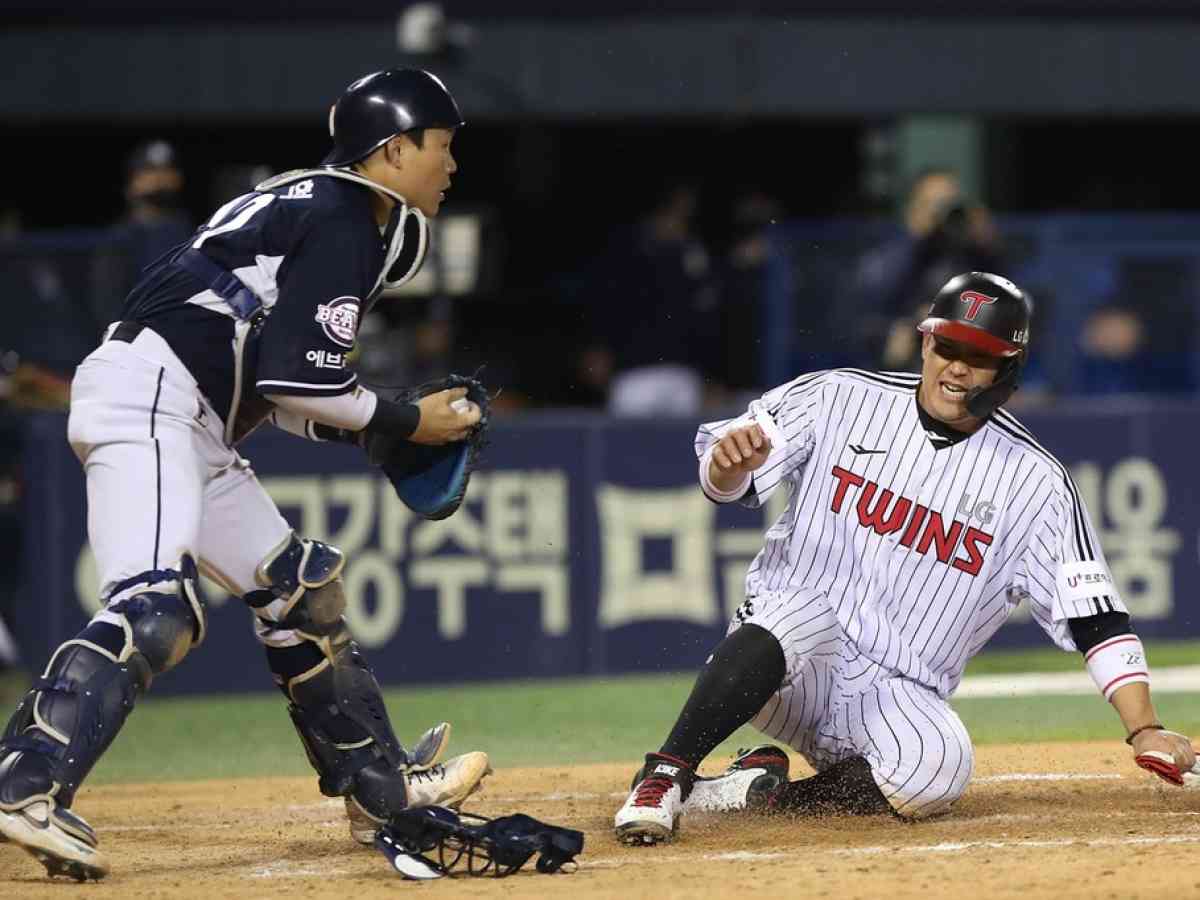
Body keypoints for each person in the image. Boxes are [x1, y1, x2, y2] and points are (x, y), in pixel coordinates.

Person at [0, 68, 492, 881]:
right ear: (394, 148)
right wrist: (406, 421)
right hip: (153, 402)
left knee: (300, 591)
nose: (449, 165)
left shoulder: (322, 203)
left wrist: (384, 427)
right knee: (156, 608)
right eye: (440, 146)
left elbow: (279, 385)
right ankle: (25, 782)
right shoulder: (348, 214)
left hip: (191, 414)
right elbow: (302, 384)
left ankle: (381, 789)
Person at [613, 271, 1197, 844]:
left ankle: (753, 793)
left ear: (1009, 371)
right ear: (926, 341)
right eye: (947, 346)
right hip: (784, 664)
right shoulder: (840, 396)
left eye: (981, 355)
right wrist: (725, 466)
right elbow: (729, 479)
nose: (958, 366)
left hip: (894, 691)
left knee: (939, 768)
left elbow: (1095, 618)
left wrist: (1143, 728)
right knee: (801, 612)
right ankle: (666, 773)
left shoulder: (1035, 483)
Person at [845, 169, 1005, 371]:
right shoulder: (885, 260)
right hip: (901, 373)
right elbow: (862, 324)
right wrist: (919, 237)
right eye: (935, 204)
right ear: (913, 210)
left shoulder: (969, 256)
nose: (944, 214)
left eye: (951, 203)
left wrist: (989, 244)